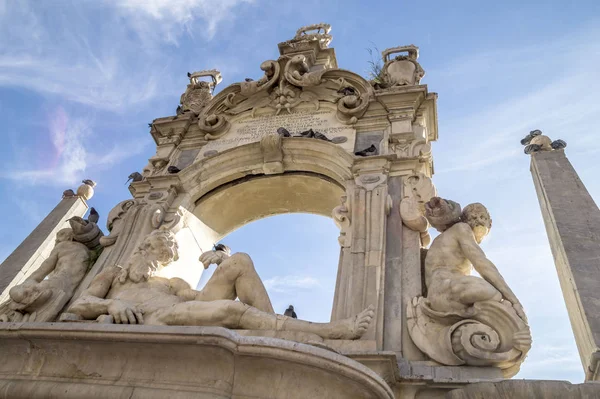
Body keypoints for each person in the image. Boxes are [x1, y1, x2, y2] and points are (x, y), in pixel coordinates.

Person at [69, 229, 373, 340]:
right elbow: (80, 305)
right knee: (229, 310)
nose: (156, 261)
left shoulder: (169, 281)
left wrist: (221, 259)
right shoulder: (112, 274)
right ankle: (328, 331)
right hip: (155, 319)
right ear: (141, 249)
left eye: (161, 257)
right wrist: (112, 303)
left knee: (240, 259)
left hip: (183, 309)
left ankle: (274, 330)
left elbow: (197, 297)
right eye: (154, 252)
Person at [424, 201, 527, 322]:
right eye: (473, 218)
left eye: (482, 217)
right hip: (444, 289)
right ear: (465, 221)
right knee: (494, 295)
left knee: (498, 302)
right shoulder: (461, 228)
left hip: (443, 293)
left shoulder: (451, 238)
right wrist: (514, 301)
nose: (479, 221)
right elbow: (482, 264)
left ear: (490, 223)